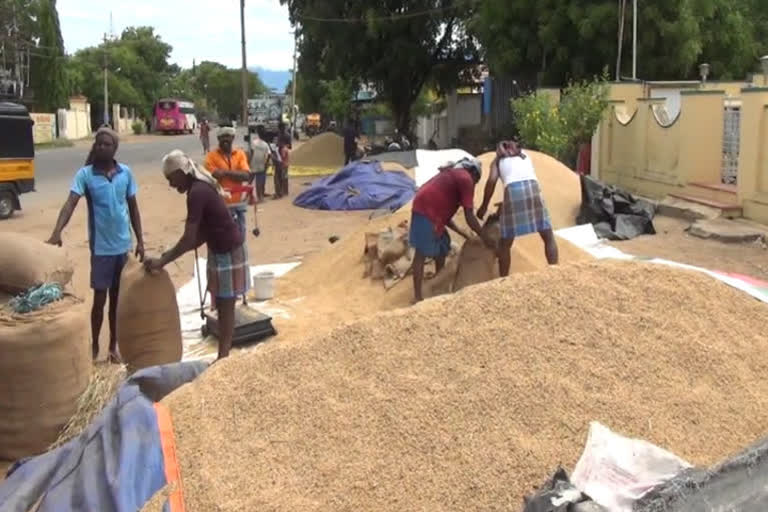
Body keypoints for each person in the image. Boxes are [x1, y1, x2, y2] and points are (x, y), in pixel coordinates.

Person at [46, 127, 145, 362]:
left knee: (117, 302)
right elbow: (70, 204)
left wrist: (140, 240)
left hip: (124, 248)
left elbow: (133, 208)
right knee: (99, 301)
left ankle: (113, 347)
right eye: (98, 144)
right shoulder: (86, 175)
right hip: (101, 250)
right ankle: (93, 349)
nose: (101, 147)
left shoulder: (126, 173)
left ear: (115, 148)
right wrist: (56, 232)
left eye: (106, 144)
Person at [145, 150, 248, 360]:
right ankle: (224, 354)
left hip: (228, 250)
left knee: (225, 304)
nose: (171, 185)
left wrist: (162, 261)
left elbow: (190, 237)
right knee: (222, 303)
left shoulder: (197, 193)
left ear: (182, 172)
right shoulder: (198, 188)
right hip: (221, 247)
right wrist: (169, 255)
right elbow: (201, 232)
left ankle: (224, 357)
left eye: (171, 179)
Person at [409, 158, 495, 303]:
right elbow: (469, 215)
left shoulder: (453, 176)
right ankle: (418, 296)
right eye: (476, 181)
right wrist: (484, 236)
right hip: (425, 209)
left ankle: (438, 282)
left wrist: (464, 233)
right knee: (421, 252)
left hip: (431, 209)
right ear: (473, 173)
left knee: (443, 245)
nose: (474, 184)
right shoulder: (465, 179)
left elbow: (446, 217)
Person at [477, 140, 559, 277]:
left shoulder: (497, 161)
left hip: (512, 191)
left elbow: (491, 181)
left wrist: (484, 207)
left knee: (505, 242)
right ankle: (555, 271)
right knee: (548, 235)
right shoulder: (525, 155)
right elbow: (522, 179)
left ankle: (504, 279)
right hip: (533, 188)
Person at [204, 125, 251, 241]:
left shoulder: (239, 154)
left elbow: (246, 176)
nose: (225, 139)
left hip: (238, 206)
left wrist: (224, 173)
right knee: (224, 240)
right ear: (218, 139)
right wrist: (236, 174)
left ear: (233, 137)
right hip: (219, 206)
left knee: (240, 239)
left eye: (228, 136)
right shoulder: (211, 156)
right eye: (222, 137)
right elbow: (213, 176)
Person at [248, 126, 270, 202]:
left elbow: (251, 153)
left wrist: (248, 163)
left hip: (252, 164)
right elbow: (268, 156)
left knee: (250, 181)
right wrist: (266, 165)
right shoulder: (266, 144)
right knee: (259, 182)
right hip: (261, 165)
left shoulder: (254, 142)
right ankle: (260, 197)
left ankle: (249, 197)